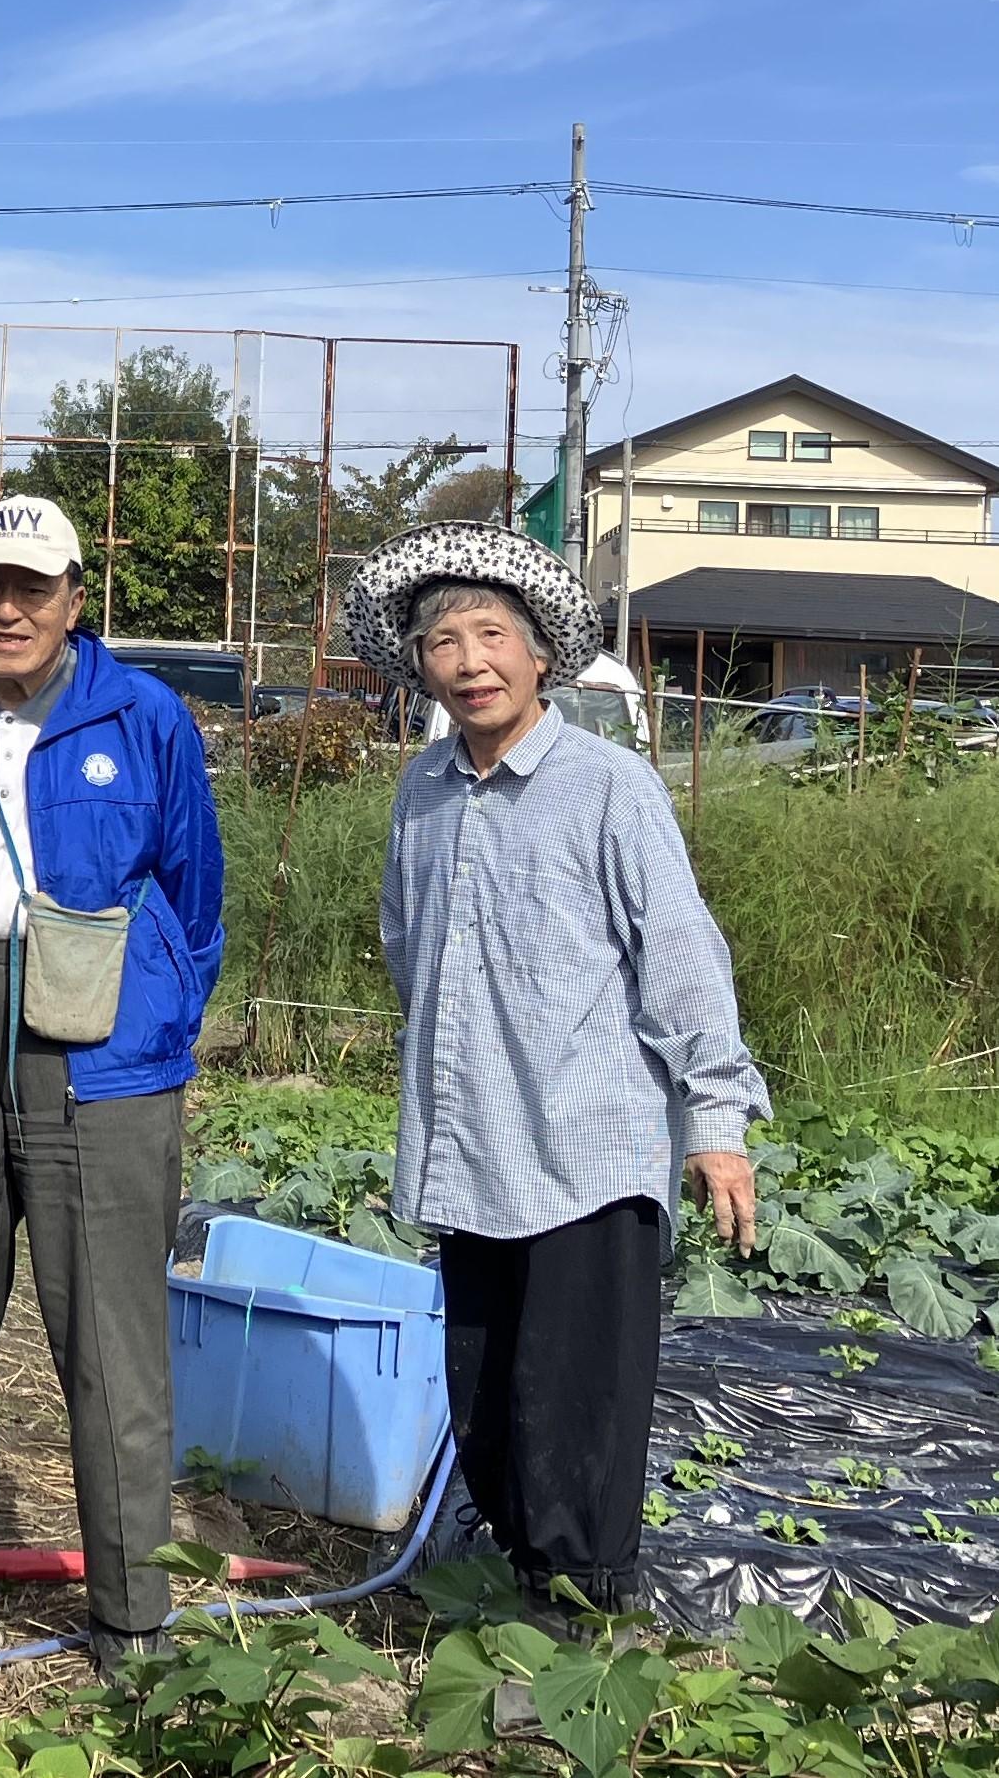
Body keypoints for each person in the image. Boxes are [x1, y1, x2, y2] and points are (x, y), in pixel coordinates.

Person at [342, 521, 766, 1624]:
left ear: (540, 658)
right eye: (444, 640)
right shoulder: (422, 793)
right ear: (420, 665)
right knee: (485, 1396)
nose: (469, 659)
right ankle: (527, 1586)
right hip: (471, 1140)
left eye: (492, 635)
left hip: (588, 1142)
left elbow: (681, 954)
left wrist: (714, 1117)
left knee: (573, 1401)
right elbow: (405, 942)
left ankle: (579, 1619)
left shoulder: (607, 786)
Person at [0, 494, 223, 1669]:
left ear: (76, 597)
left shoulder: (148, 714)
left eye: (32, 587)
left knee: (108, 1333)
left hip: (103, 1032)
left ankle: (133, 1615)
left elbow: (194, 894)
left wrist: (155, 1017)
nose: (7, 609)